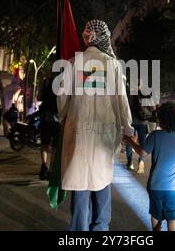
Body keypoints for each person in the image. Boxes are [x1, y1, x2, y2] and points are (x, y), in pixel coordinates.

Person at [57, 19, 134, 231]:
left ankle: (79, 230)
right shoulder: (112, 64)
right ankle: (100, 228)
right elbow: (121, 99)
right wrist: (127, 127)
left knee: (81, 182)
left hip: (78, 131)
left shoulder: (74, 63)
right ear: (103, 37)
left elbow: (62, 96)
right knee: (101, 181)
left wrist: (63, 115)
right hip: (104, 134)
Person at [123, 101, 175, 231]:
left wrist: (131, 141)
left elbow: (142, 152)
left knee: (156, 215)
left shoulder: (155, 135)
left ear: (162, 119)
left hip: (156, 186)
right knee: (174, 219)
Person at [127, 80, 154, 174]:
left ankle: (130, 163)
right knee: (143, 143)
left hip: (131, 122)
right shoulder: (146, 94)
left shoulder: (129, 94)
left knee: (130, 141)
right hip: (143, 122)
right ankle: (141, 163)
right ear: (141, 85)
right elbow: (151, 108)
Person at [37, 75, 60, 180]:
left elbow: (39, 97)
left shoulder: (46, 81)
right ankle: (51, 170)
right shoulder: (66, 82)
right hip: (59, 121)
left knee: (44, 144)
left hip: (46, 118)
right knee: (55, 147)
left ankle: (43, 166)